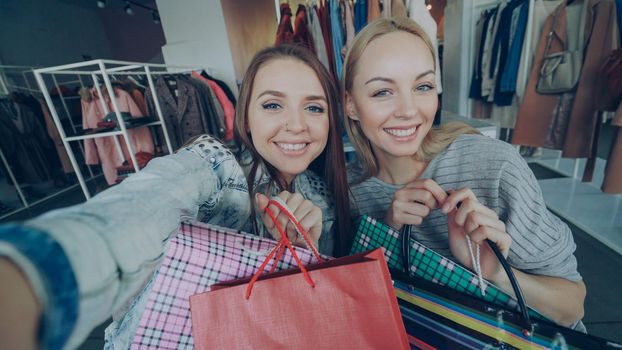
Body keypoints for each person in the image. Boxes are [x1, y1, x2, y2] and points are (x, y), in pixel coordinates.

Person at [0, 44, 352, 350]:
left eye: (314, 108)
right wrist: (33, 278)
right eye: (273, 105)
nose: (296, 125)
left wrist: (306, 250)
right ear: (246, 116)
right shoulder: (214, 169)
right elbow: (139, 209)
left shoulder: (321, 195)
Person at [343, 17, 586, 329]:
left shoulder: (493, 166)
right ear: (350, 105)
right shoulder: (350, 192)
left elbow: (571, 306)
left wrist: (494, 271)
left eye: (423, 86)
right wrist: (387, 235)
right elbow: (363, 312)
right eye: (382, 92)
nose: (407, 109)